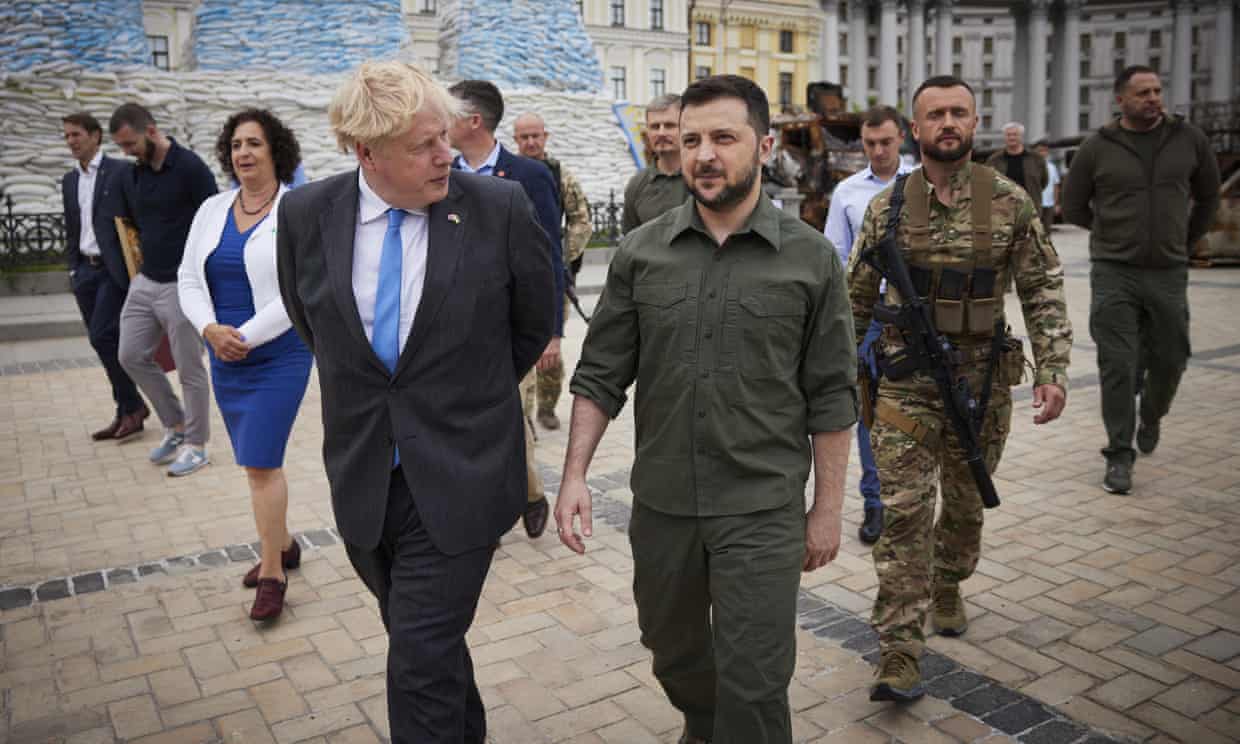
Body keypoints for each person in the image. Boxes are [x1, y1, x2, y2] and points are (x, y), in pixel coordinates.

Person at [556, 74, 857, 744]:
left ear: (764, 143)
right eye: (691, 140)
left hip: (761, 507)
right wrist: (574, 474)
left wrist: (827, 509)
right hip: (664, 505)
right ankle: (704, 723)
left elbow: (834, 395)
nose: (703, 154)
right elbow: (601, 373)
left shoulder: (811, 260)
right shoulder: (642, 251)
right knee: (673, 650)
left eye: (724, 137)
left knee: (755, 680)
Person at [276, 61, 555, 743]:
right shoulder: (307, 216)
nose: (446, 155)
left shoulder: (497, 209)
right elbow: (315, 326)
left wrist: (460, 399)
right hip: (367, 479)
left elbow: (530, 324)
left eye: (446, 138)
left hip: (465, 471)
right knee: (420, 640)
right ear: (366, 153)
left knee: (419, 656)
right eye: (424, 146)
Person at [848, 75, 1072, 702]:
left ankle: (949, 579)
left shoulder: (1007, 201)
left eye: (959, 113)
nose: (948, 123)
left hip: (980, 387)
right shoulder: (886, 209)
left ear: (974, 124)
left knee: (967, 506)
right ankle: (898, 650)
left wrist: (1052, 370)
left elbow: (1042, 288)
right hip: (905, 387)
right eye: (935, 114)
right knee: (905, 513)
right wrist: (837, 375)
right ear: (914, 129)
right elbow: (855, 301)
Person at [178, 109, 313, 621]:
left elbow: (300, 287)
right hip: (223, 352)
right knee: (252, 462)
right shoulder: (212, 208)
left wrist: (247, 337)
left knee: (261, 462)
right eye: (236, 145)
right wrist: (211, 331)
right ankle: (284, 542)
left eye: (254, 143)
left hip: (279, 353)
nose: (243, 153)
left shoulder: (297, 208)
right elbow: (188, 278)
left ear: (275, 150)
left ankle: (272, 572)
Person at [1062, 65, 1220, 495]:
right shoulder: (1097, 147)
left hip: (1168, 271)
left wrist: (1184, 240)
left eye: (1157, 90)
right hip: (1114, 271)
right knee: (1117, 363)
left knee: (1172, 357)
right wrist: (1110, 232)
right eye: (1142, 93)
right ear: (1121, 100)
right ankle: (1118, 454)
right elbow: (1073, 205)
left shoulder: (1189, 140)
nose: (1153, 98)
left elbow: (1209, 196)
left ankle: (1151, 414)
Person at [448, 79, 564, 539]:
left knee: (509, 416)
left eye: (449, 112)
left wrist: (552, 332)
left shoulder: (529, 176)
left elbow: (549, 257)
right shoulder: (442, 170)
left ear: (473, 120)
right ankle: (495, 506)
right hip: (451, 324)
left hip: (508, 324)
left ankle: (528, 492)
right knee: (463, 423)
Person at [822, 104, 914, 546]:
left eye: (886, 142)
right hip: (868, 316)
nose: (878, 150)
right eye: (870, 143)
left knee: (918, 409)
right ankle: (875, 502)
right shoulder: (847, 193)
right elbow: (834, 257)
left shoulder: (922, 184)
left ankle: (910, 501)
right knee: (868, 414)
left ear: (902, 138)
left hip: (917, 316)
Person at [110, 103, 217, 477]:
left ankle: (197, 444)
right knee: (130, 355)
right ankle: (175, 425)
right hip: (146, 280)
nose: (126, 152)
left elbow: (214, 220)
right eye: (121, 146)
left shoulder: (190, 168)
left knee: (190, 368)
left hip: (182, 285)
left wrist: (204, 281)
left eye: (129, 143)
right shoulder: (137, 173)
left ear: (151, 131)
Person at [61, 112, 148, 441]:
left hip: (113, 272)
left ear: (96, 136)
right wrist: (72, 268)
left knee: (102, 335)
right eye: (67, 136)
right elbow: (72, 227)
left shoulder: (121, 171)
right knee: (102, 341)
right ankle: (126, 409)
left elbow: (137, 219)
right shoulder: (70, 180)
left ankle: (133, 405)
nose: (71, 141)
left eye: (77, 134)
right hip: (84, 271)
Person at [513, 111, 593, 431]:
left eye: (536, 135)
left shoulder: (562, 176)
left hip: (550, 272)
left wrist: (561, 257)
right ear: (516, 140)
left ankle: (547, 406)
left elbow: (581, 220)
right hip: (514, 271)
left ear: (546, 137)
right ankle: (522, 412)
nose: (531, 142)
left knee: (550, 345)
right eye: (524, 137)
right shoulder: (507, 172)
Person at [621, 93, 692, 233]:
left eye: (669, 125)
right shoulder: (637, 184)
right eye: (654, 126)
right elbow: (629, 242)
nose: (661, 133)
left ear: (686, 128)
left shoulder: (704, 177)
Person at [984, 122, 1048, 201]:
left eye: (1015, 134)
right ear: (1004, 137)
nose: (1012, 138)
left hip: (1030, 206)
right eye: (1008, 135)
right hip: (1002, 208)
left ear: (1021, 136)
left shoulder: (1036, 159)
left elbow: (1043, 182)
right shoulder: (994, 160)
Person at [1034, 139, 1060, 236]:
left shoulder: (1052, 167)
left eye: (1044, 150)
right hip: (1035, 203)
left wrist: (1056, 203)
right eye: (1040, 150)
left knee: (1047, 231)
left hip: (1049, 204)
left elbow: (1056, 186)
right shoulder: (1031, 166)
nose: (1042, 153)